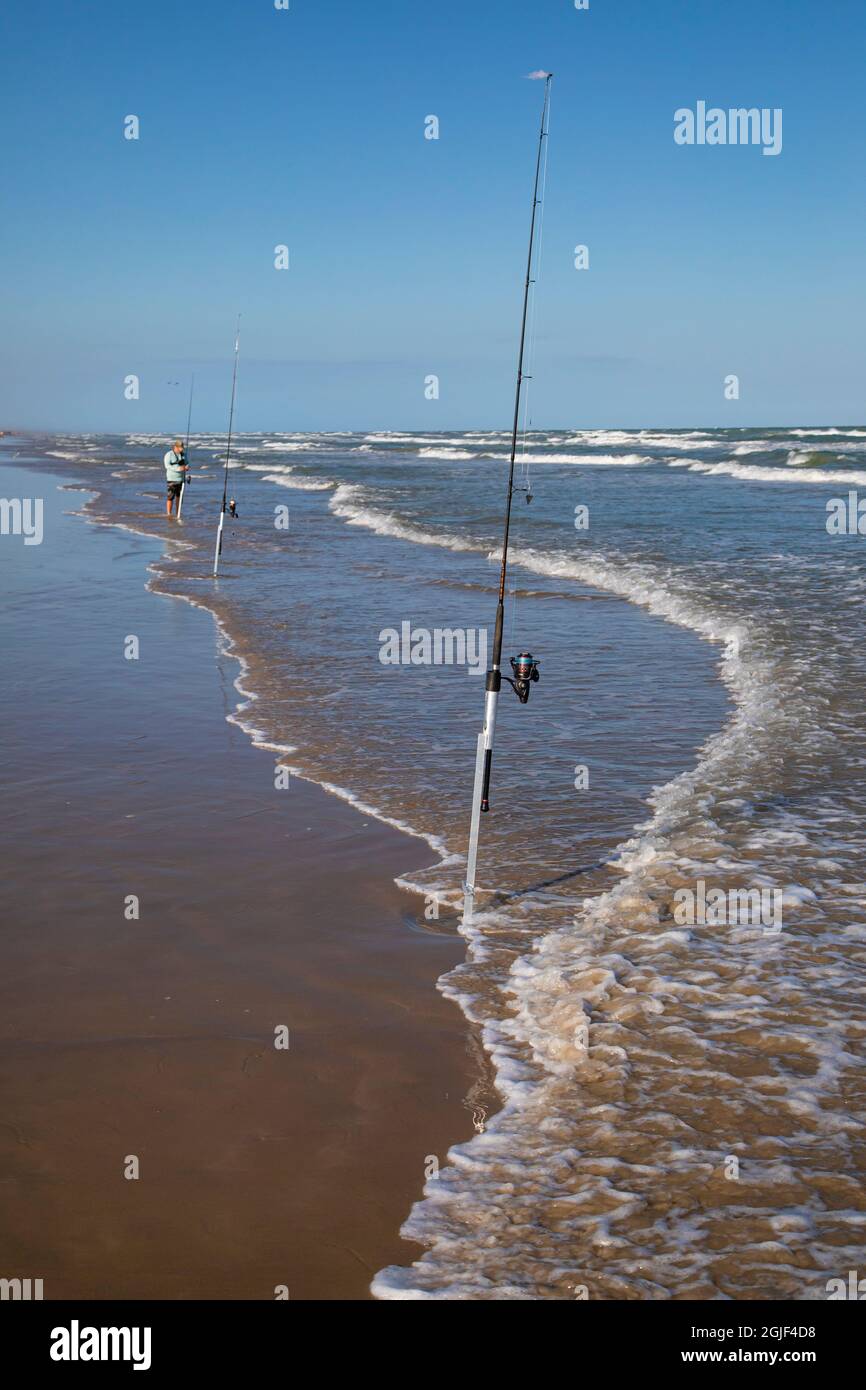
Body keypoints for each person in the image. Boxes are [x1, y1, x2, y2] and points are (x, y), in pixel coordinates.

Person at [163, 439, 189, 518]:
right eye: (181, 447)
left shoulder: (184, 454)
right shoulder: (169, 454)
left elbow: (187, 463)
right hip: (172, 479)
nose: (182, 449)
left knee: (179, 498)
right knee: (170, 497)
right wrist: (178, 469)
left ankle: (178, 514)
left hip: (181, 479)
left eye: (182, 447)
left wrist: (187, 467)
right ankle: (169, 514)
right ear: (176, 447)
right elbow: (167, 466)